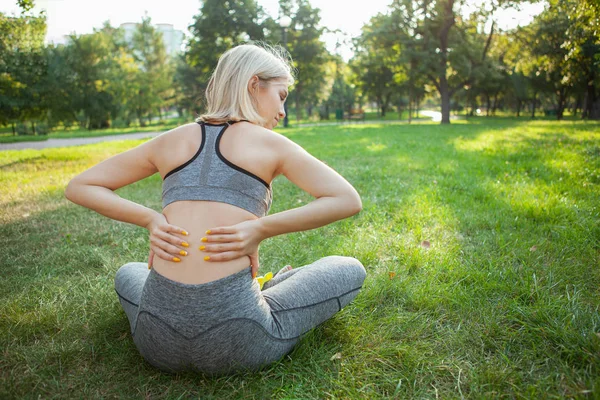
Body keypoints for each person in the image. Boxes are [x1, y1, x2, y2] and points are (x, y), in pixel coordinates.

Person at [65, 43, 366, 375]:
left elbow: (80, 186)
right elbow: (347, 199)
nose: (282, 112)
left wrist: (151, 219)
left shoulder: (170, 139)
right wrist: (259, 229)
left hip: (154, 340)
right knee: (348, 268)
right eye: (281, 96)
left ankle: (270, 285)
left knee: (128, 272)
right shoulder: (271, 144)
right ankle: (273, 287)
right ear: (254, 84)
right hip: (240, 340)